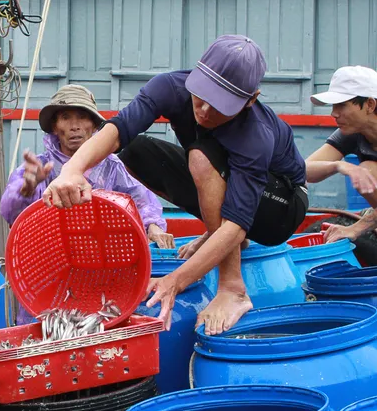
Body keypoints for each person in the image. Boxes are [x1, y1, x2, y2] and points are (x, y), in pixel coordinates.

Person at [44, 35, 307, 336]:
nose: (205, 110)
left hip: (282, 206)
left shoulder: (255, 135)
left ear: (250, 99)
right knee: (136, 150)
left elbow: (236, 225)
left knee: (201, 157)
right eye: (202, 96)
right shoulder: (170, 86)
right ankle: (213, 234)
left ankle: (233, 288)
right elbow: (118, 129)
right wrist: (72, 169)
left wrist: (175, 281)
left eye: (220, 105)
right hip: (234, 191)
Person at [1, 85, 172, 325]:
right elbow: (11, 213)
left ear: (93, 125)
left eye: (82, 116)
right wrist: (27, 189)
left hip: (105, 271)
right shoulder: (40, 167)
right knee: (46, 340)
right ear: (54, 127)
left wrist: (153, 225)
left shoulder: (111, 166)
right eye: (65, 117)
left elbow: (140, 199)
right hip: (49, 274)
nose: (75, 126)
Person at [305, 66, 377, 243]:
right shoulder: (351, 132)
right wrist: (339, 165)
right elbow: (302, 170)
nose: (333, 113)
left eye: (341, 105)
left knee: (368, 168)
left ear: (369, 105)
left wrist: (356, 228)